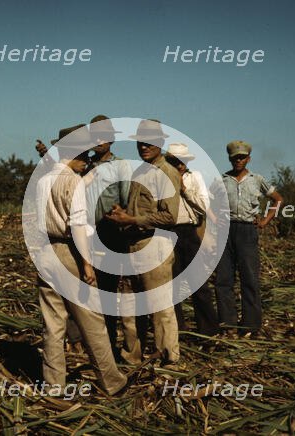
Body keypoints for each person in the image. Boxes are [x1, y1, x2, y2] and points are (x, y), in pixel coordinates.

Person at [36, 124, 127, 396]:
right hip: (67, 252)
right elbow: (77, 227)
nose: (88, 161)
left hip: (44, 252)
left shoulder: (42, 180)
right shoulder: (72, 181)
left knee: (52, 324)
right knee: (92, 320)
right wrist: (87, 264)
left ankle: (53, 387)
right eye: (85, 155)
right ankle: (112, 382)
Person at [106, 119, 181, 368]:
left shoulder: (166, 173)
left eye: (149, 142)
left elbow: (170, 216)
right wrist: (122, 214)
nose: (144, 146)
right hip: (133, 246)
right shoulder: (141, 172)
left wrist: (133, 218)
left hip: (154, 246)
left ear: (160, 143)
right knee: (129, 307)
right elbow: (137, 209)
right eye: (140, 142)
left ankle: (168, 360)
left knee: (160, 309)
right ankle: (132, 358)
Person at [210, 140, 283, 338]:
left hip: (247, 231)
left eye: (242, 157)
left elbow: (278, 199)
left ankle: (251, 326)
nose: (238, 160)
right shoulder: (222, 180)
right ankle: (228, 325)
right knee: (223, 280)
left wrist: (265, 221)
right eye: (235, 158)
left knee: (249, 278)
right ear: (230, 159)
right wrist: (216, 220)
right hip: (226, 231)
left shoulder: (256, 180)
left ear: (248, 158)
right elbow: (206, 201)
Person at [85, 115, 132, 357]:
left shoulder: (120, 166)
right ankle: (90, 343)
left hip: (110, 233)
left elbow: (125, 202)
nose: (99, 140)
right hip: (86, 233)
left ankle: (110, 344)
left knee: (108, 291)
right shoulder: (85, 166)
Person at [164, 143, 219, 336]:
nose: (179, 166)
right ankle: (177, 329)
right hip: (168, 233)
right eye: (174, 161)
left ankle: (208, 330)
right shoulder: (162, 179)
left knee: (198, 283)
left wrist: (185, 190)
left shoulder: (194, 177)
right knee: (172, 284)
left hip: (188, 232)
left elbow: (203, 205)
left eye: (182, 162)